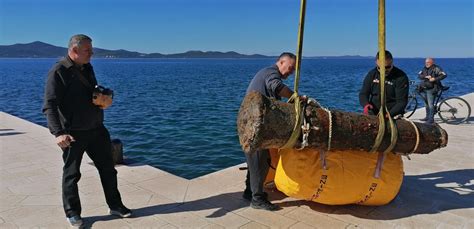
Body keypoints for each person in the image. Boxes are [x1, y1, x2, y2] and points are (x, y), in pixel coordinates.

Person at [42, 34, 131, 227]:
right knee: (72, 174)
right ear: (74, 51)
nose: (92, 53)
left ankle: (115, 205)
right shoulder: (59, 71)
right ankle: (72, 213)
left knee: (108, 169)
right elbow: (49, 105)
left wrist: (101, 99)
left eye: (91, 50)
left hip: (96, 128)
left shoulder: (87, 67)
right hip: (73, 133)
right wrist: (58, 133)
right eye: (87, 51)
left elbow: (86, 94)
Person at [243, 52, 301, 211]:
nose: (291, 71)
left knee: (257, 161)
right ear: (281, 62)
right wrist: (296, 97)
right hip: (255, 125)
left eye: (294, 69)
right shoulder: (271, 73)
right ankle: (257, 199)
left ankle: (249, 192)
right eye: (290, 67)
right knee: (259, 162)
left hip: (253, 123)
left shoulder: (267, 73)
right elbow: (276, 86)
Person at [359, 50, 409, 118]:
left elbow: (401, 102)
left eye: (387, 67)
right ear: (376, 63)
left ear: (392, 62)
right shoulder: (372, 74)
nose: (384, 70)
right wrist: (366, 105)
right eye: (380, 68)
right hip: (373, 112)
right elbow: (363, 93)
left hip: (392, 114)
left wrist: (388, 115)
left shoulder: (401, 77)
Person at [417, 57, 447, 124]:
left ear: (432, 62)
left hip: (433, 88)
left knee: (430, 104)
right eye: (426, 62)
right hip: (425, 87)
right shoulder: (424, 68)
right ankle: (427, 117)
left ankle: (431, 119)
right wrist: (425, 77)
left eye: (428, 62)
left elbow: (444, 75)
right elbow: (419, 75)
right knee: (426, 103)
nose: (426, 63)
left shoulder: (436, 68)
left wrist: (434, 79)